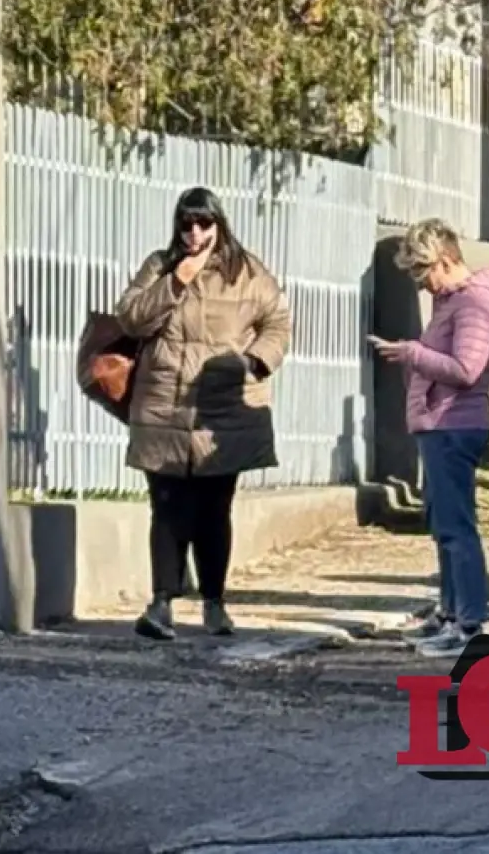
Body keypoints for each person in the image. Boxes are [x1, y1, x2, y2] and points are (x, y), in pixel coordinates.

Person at [116, 186, 293, 642]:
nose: (194, 234)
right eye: (186, 225)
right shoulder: (160, 265)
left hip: (222, 409)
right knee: (168, 508)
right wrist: (176, 281)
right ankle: (161, 604)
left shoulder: (247, 271)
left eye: (203, 224)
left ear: (219, 224)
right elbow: (130, 318)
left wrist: (253, 362)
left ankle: (215, 602)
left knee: (215, 511)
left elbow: (277, 322)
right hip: (164, 406)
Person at [376, 220, 489, 659]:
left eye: (423, 271)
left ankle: (468, 621)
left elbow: (465, 369)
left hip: (455, 423)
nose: (422, 283)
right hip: (441, 422)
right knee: (444, 526)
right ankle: (451, 612)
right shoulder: (453, 300)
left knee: (457, 527)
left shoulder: (474, 302)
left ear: (445, 258)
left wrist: (412, 353)